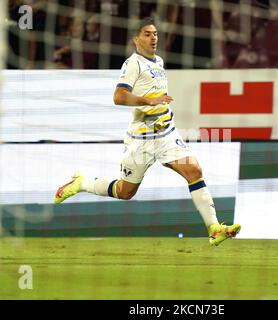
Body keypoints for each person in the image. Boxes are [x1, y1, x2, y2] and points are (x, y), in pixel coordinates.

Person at [54, 17, 241, 246]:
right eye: (147, 34)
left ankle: (214, 228)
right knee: (125, 192)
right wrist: (148, 101)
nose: (153, 38)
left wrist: (159, 107)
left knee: (194, 169)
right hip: (141, 140)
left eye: (155, 34)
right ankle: (82, 183)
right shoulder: (133, 64)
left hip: (166, 134)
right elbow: (118, 96)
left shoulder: (159, 61)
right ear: (136, 39)